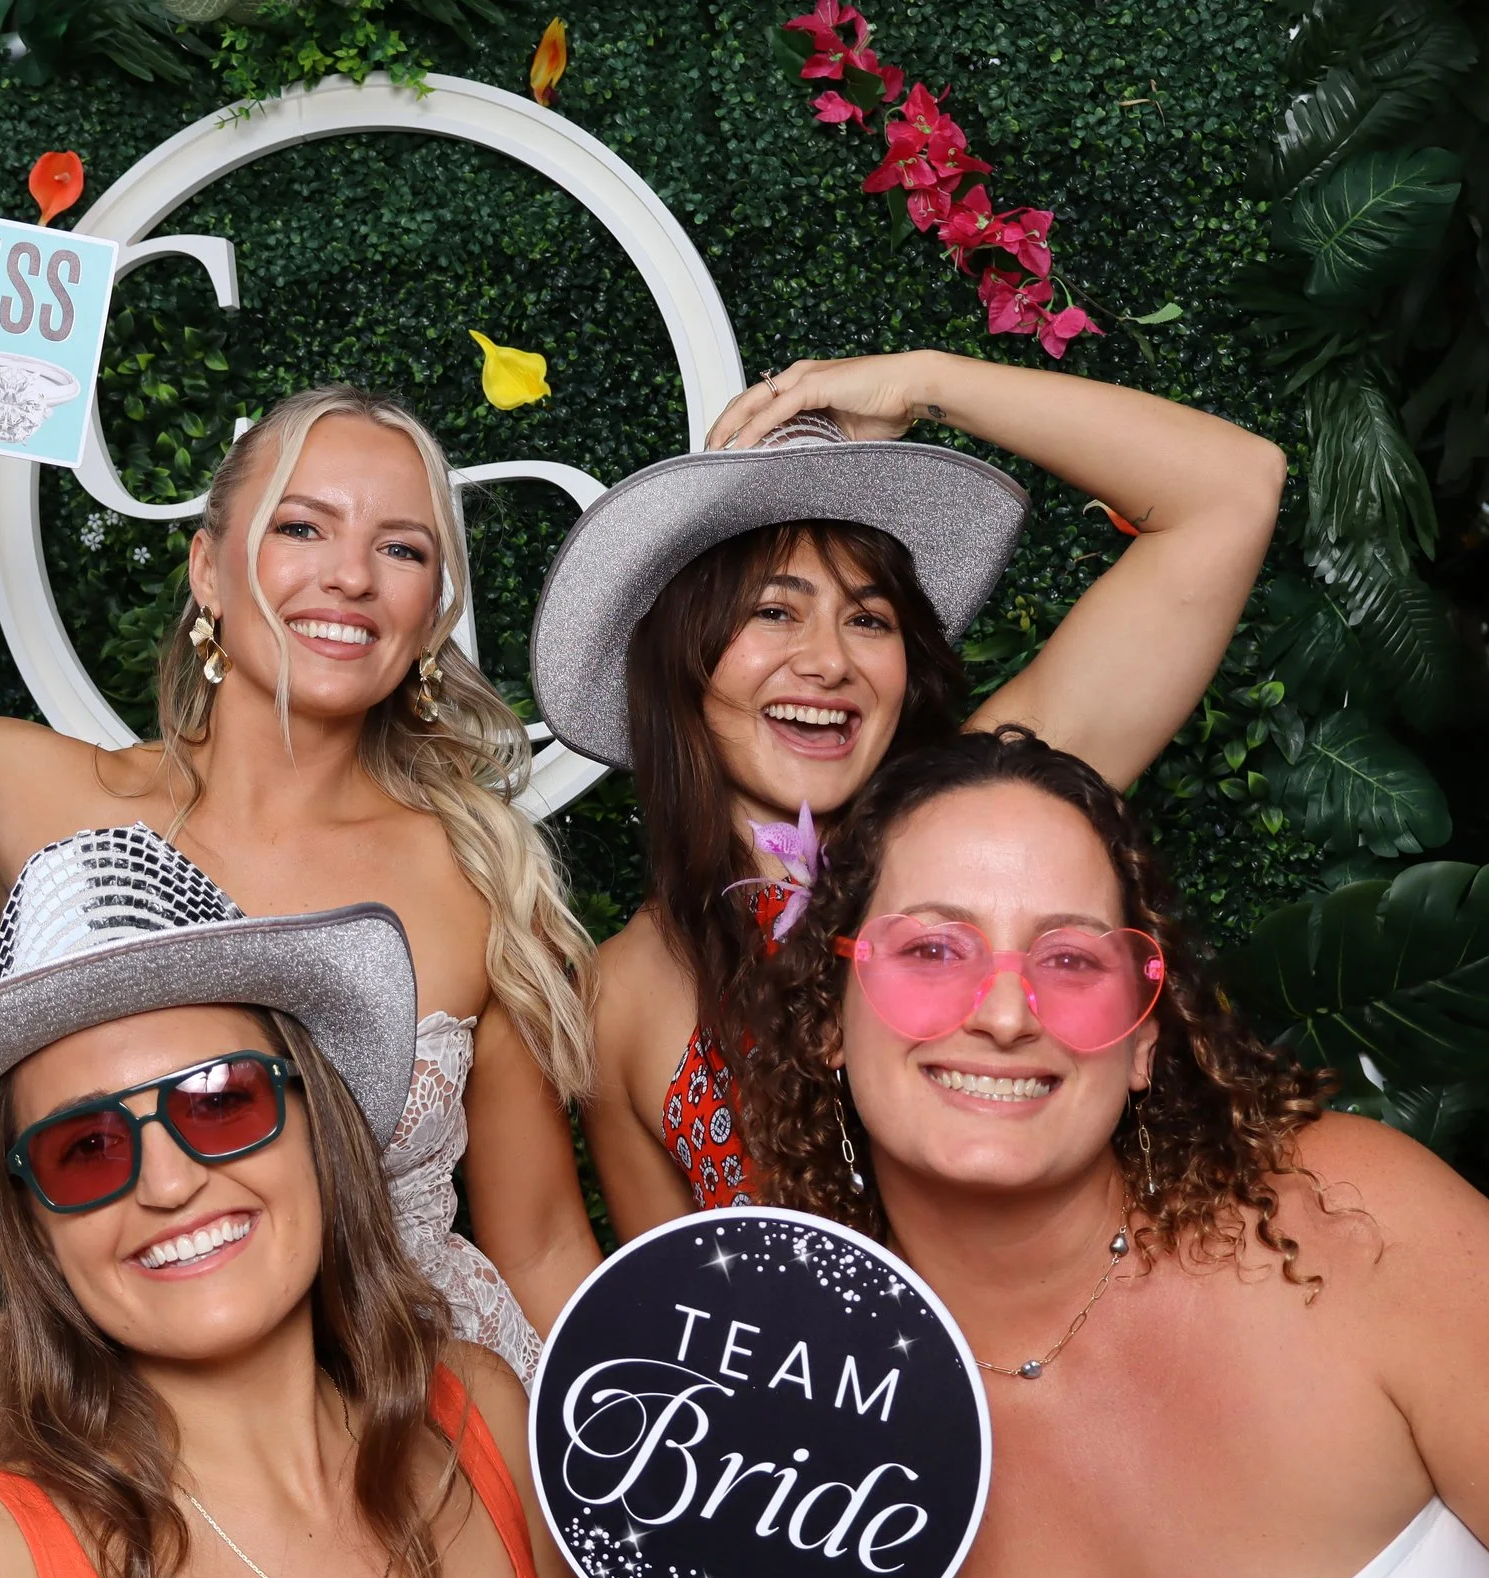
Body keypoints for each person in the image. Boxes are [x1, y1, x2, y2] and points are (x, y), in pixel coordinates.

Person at [0, 262, 599, 1378]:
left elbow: (544, 1242)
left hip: (434, 1399)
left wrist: (625, 1496)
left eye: (402, 549)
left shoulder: (475, 875)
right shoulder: (53, 802)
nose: (351, 577)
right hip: (137, 1415)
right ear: (208, 571)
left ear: (431, 616)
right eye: (301, 528)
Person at [733, 727, 1489, 1578]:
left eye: (1071, 960)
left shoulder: (1343, 1223)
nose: (1006, 1014)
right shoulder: (786, 1475)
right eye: (933, 948)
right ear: (828, 1019)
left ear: (1144, 1037)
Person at [0, 825, 747, 1578]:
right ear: (35, 1225)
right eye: (86, 1148)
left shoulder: (486, 1418)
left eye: (221, 1099)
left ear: (320, 1129)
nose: (169, 1181)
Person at [538, 354, 1287, 1236]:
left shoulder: (990, 822)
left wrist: (925, 380)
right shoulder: (621, 994)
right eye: (775, 612)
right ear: (680, 661)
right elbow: (691, 1333)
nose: (829, 661)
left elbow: (1234, 489)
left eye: (869, 619)